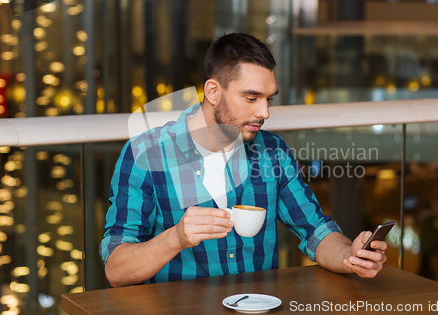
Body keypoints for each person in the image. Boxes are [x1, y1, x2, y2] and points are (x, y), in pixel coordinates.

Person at [100, 33, 387, 287]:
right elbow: (116, 269)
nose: (265, 113)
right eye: (251, 98)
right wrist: (175, 238)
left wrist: (351, 255)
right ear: (213, 91)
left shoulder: (273, 151)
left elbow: (316, 231)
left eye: (269, 99)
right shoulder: (146, 154)